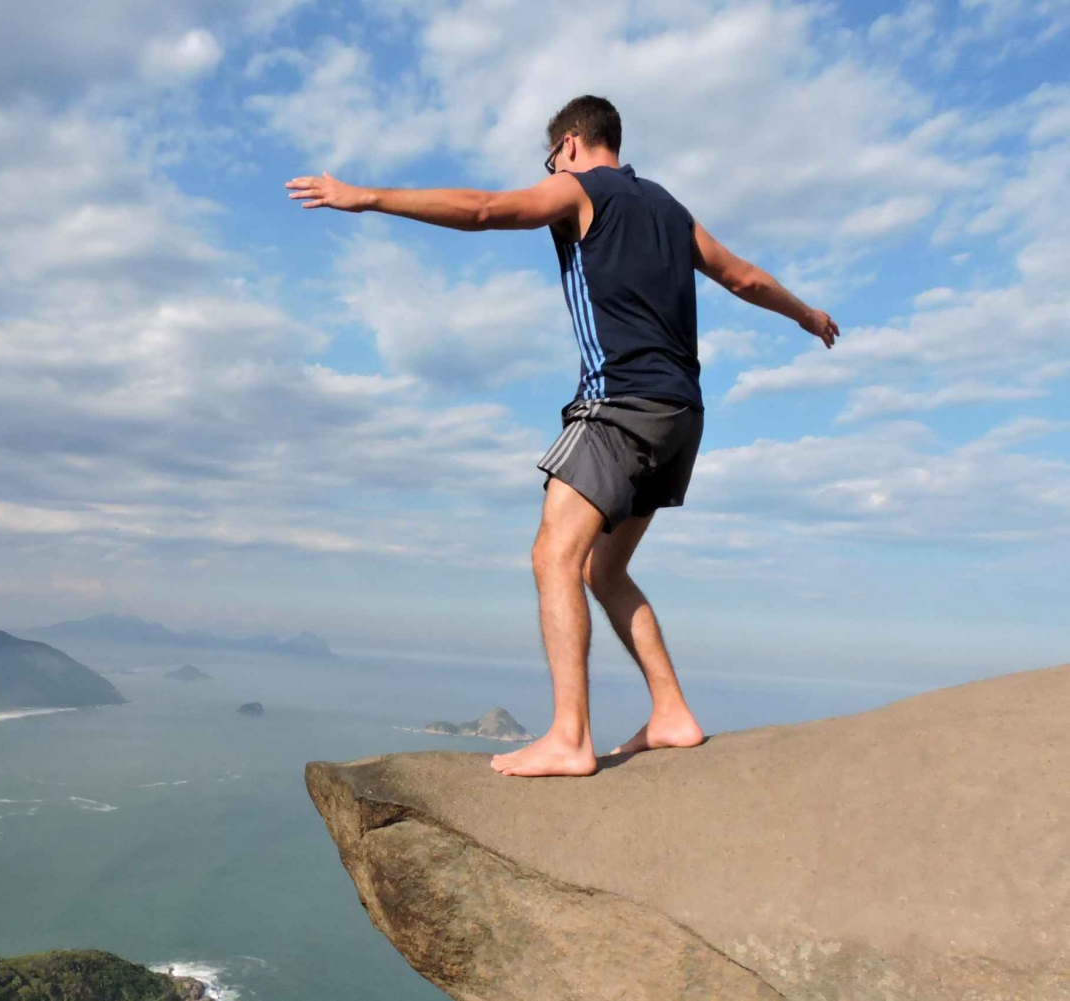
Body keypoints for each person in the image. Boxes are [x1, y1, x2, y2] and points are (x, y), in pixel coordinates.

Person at [286, 95, 838, 777]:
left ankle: (570, 736)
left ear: (571, 144)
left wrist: (365, 196)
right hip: (682, 415)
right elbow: (745, 277)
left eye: (551, 159)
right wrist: (807, 314)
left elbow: (485, 210)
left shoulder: (580, 189)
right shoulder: (669, 208)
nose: (551, 171)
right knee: (601, 569)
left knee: (553, 555)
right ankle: (671, 712)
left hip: (620, 403)